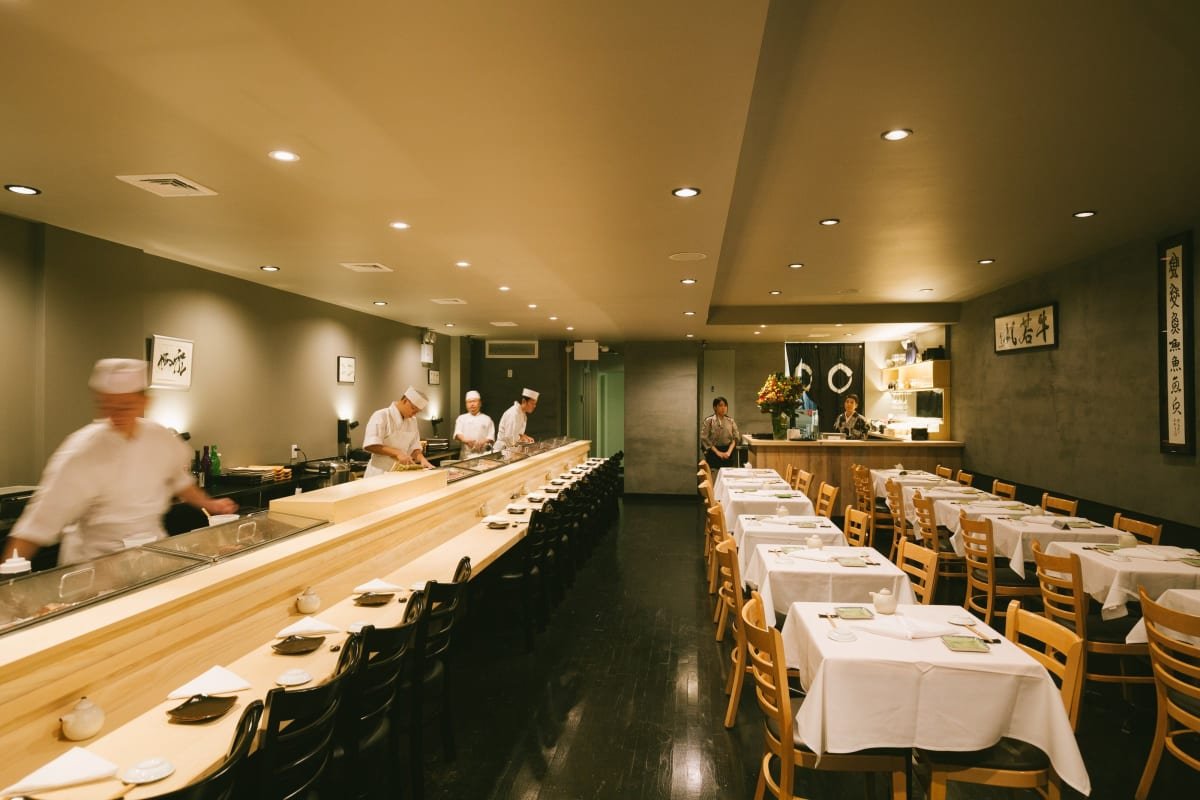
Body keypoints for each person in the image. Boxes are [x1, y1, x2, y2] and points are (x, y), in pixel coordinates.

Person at [7, 359, 238, 566]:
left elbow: (179, 480)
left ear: (144, 402)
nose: (115, 414)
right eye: (107, 406)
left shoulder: (160, 437)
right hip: (95, 564)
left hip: (152, 555)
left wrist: (209, 504)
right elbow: (39, 522)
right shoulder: (81, 451)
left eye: (125, 406)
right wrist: (9, 574)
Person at [363, 386, 435, 476]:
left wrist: (422, 460)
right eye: (413, 409)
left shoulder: (413, 421)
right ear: (405, 401)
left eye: (417, 412)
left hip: (400, 473)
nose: (414, 414)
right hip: (379, 472)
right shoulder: (381, 415)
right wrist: (397, 453)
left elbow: (414, 447)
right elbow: (371, 445)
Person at [700, 396, 741, 470]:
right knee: (714, 473)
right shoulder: (709, 420)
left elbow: (735, 438)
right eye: (720, 405)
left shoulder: (730, 421)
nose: (723, 408)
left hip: (728, 452)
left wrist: (728, 452)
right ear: (715, 407)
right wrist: (718, 453)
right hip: (713, 452)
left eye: (725, 405)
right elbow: (704, 438)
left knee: (728, 472)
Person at [453, 390, 495, 458]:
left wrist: (483, 441)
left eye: (474, 401)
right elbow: (458, 433)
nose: (472, 404)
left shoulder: (487, 419)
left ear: (480, 403)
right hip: (465, 456)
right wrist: (465, 440)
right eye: (469, 402)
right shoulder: (461, 418)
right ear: (466, 404)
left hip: (483, 455)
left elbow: (491, 436)